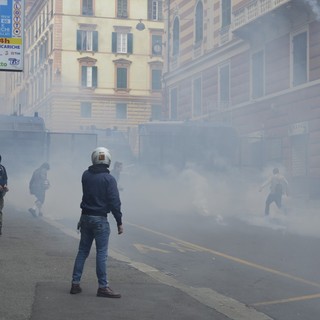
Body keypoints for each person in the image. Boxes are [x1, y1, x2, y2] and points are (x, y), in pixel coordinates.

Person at [70, 147, 123, 298]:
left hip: (85, 217)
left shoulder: (85, 175)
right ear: (108, 160)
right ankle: (103, 287)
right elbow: (114, 202)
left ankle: (75, 284)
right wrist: (119, 221)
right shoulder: (109, 179)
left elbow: (86, 195)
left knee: (82, 252)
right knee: (101, 254)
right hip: (100, 219)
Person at [0, 155, 9, 235]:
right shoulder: (2, 168)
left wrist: (5, 186)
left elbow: (5, 179)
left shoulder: (2, 168)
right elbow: (5, 179)